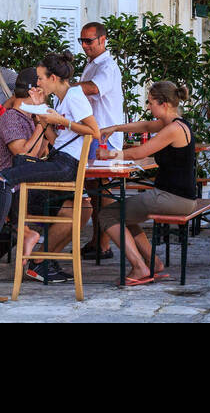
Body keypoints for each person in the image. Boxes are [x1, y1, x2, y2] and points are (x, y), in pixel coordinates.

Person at [0, 51, 99, 284]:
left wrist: (61, 121)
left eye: (41, 77)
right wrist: (42, 116)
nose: (39, 82)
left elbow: (94, 131)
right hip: (58, 160)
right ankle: (20, 234)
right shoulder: (62, 100)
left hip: (67, 165)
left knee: (3, 179)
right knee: (5, 180)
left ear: (53, 77)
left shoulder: (74, 96)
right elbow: (56, 137)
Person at [97, 81, 198, 285]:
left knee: (107, 214)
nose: (148, 107)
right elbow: (143, 125)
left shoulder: (173, 129)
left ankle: (139, 267)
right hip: (178, 196)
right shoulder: (175, 123)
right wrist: (115, 128)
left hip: (172, 198)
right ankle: (154, 263)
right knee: (125, 214)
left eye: (151, 103)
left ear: (165, 103)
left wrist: (109, 154)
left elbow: (139, 153)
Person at [75, 21, 123, 260]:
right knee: (95, 190)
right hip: (94, 135)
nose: (85, 46)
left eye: (89, 41)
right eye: (82, 41)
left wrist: (67, 87)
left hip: (105, 136)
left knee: (104, 191)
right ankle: (97, 240)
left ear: (103, 40)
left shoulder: (107, 67)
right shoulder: (92, 64)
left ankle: (104, 243)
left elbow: (94, 89)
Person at [0, 67, 48, 173]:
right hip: (10, 187)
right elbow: (25, 158)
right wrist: (41, 123)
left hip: (24, 186)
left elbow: (37, 155)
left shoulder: (28, 118)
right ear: (35, 91)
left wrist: (47, 131)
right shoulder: (10, 118)